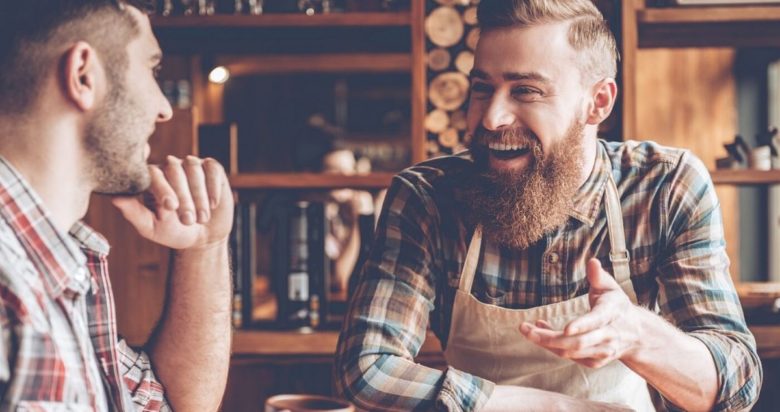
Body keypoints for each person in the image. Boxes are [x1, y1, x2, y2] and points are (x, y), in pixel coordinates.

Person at [335, 0, 762, 411]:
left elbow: (735, 386)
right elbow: (366, 368)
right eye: (483, 88)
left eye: (526, 91)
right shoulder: (427, 197)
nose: (491, 118)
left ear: (598, 103)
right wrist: (547, 407)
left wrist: (638, 334)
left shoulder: (666, 187)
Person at [0, 1, 233, 410]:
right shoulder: (10, 288)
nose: (164, 108)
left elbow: (172, 406)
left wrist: (203, 248)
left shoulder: (52, 261)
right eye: (152, 69)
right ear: (83, 75)